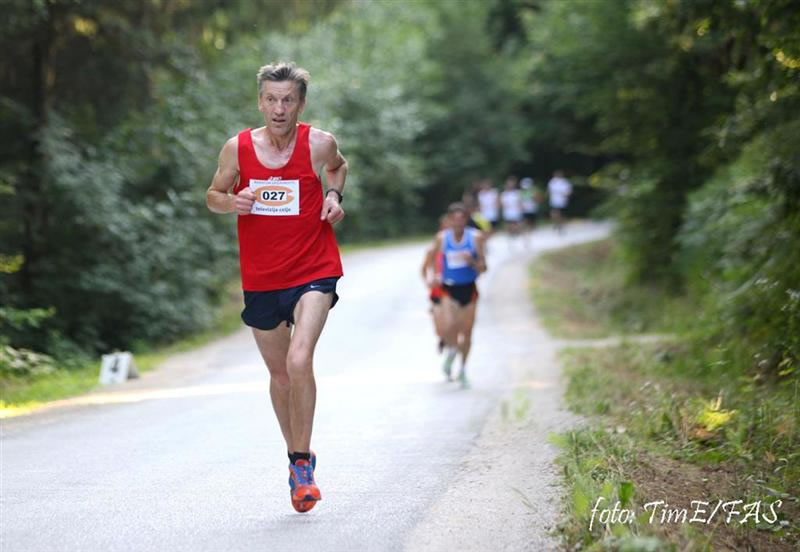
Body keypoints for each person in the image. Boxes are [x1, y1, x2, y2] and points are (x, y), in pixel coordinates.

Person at [205, 62, 346, 513]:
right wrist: (234, 201)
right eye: (271, 99)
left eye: (288, 100)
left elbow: (338, 169)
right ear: (260, 102)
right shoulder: (238, 148)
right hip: (262, 276)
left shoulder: (319, 143)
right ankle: (296, 456)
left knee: (299, 358)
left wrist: (333, 196)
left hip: (314, 267)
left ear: (301, 104)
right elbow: (212, 196)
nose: (279, 108)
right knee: (281, 375)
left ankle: (302, 465)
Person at [431, 203, 487, 387]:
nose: (458, 224)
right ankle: (452, 352)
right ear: (449, 221)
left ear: (466, 221)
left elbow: (484, 267)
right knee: (449, 326)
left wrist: (472, 262)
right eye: (454, 220)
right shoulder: (442, 239)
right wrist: (436, 275)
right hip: (449, 288)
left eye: (461, 220)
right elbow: (435, 261)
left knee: (467, 333)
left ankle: (462, 369)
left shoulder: (476, 238)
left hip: (469, 289)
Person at [421, 213, 451, 353]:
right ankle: (443, 338)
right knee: (439, 328)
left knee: (450, 322)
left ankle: (452, 344)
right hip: (437, 290)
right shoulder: (432, 250)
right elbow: (423, 269)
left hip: (452, 290)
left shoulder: (459, 248)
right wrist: (428, 281)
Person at [500, 176, 525, 247]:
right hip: (508, 212)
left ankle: (519, 237)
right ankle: (511, 239)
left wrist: (521, 209)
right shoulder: (504, 194)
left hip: (516, 212)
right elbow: (502, 204)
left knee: (517, 226)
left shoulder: (517, 193)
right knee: (509, 226)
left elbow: (520, 202)